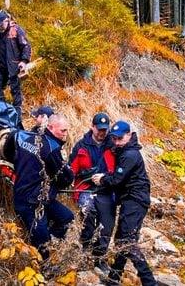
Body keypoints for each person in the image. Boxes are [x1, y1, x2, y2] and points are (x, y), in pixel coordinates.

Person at [92, 121, 157, 286]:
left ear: (129, 135)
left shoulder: (130, 155)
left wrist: (102, 179)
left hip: (136, 200)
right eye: (114, 139)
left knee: (127, 241)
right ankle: (114, 278)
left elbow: (117, 180)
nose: (116, 142)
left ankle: (149, 282)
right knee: (122, 238)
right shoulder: (124, 149)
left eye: (120, 138)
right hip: (131, 199)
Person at [6, 114, 74, 260]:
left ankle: (49, 240)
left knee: (67, 217)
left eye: (66, 130)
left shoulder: (24, 135)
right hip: (31, 203)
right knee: (43, 246)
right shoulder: (51, 148)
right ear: (50, 127)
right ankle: (42, 268)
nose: (65, 134)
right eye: (62, 130)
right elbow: (66, 179)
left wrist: (16, 163)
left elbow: (9, 144)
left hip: (38, 196)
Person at [68, 112, 115, 276]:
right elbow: (70, 170)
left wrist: (105, 178)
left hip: (106, 190)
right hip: (85, 188)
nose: (102, 133)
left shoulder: (113, 145)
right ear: (92, 127)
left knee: (107, 224)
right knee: (88, 214)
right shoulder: (81, 145)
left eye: (105, 130)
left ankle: (99, 257)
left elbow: (120, 170)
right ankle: (85, 249)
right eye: (99, 129)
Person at [0, 11, 31, 124]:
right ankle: (1, 109)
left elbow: (26, 46)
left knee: (15, 90)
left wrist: (24, 61)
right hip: (1, 64)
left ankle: (17, 115)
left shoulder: (16, 30)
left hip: (14, 64)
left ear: (6, 21)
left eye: (1, 25)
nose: (0, 27)